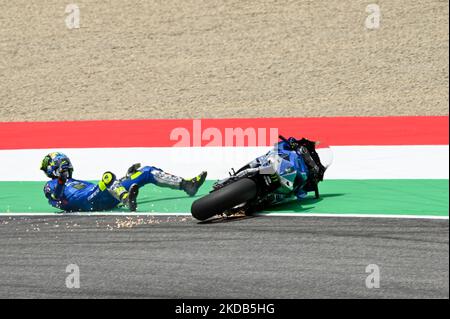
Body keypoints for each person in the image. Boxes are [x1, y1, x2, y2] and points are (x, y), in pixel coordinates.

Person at [40, 152, 207, 212]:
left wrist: (125, 178)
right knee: (107, 176)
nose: (66, 168)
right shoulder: (50, 185)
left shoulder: (76, 180)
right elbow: (57, 199)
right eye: (62, 165)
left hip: (102, 197)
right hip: (84, 202)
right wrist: (60, 182)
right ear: (52, 169)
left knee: (146, 171)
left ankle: (187, 185)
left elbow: (103, 188)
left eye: (66, 165)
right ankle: (127, 200)